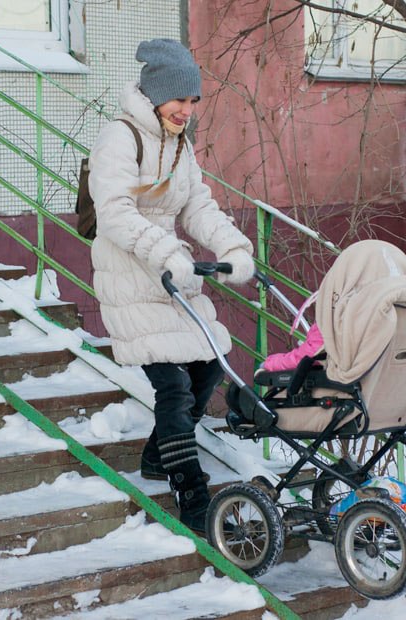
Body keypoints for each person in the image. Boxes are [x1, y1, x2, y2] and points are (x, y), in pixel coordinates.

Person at [87, 38, 255, 533]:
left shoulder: (179, 143)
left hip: (172, 274)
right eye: (179, 100)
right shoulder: (119, 137)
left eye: (193, 101)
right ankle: (194, 494)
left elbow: (197, 206)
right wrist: (166, 251)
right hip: (130, 275)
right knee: (174, 385)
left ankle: (159, 455)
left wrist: (234, 248)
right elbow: (114, 211)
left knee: (208, 367)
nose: (187, 109)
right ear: (156, 94)